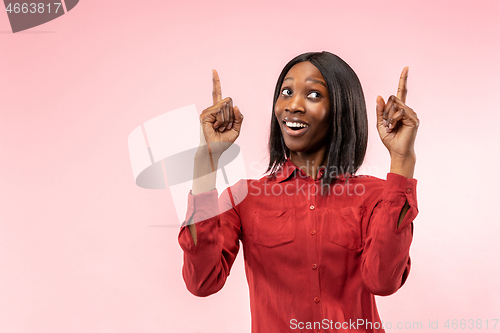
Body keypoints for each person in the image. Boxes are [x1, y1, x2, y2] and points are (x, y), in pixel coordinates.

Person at [178, 51, 419, 333]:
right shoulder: (243, 197)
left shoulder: (377, 195)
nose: (293, 105)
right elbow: (202, 282)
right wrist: (206, 160)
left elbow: (383, 282)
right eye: (287, 91)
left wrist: (402, 161)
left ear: (341, 108)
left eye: (314, 95)